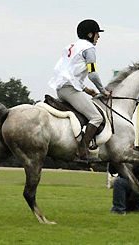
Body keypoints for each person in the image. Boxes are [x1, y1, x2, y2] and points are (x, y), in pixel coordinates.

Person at [48, 19, 110, 162]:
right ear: (89, 34)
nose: (98, 37)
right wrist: (103, 90)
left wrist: (86, 89)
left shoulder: (71, 46)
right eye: (97, 34)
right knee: (97, 117)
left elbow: (68, 72)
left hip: (61, 88)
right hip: (69, 90)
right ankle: (82, 151)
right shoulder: (89, 49)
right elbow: (93, 73)